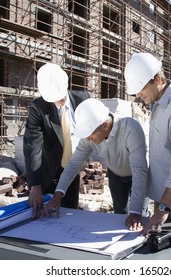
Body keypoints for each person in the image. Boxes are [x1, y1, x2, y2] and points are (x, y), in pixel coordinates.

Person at [41, 98, 149, 230]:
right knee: (119, 216)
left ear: (104, 125)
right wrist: (57, 195)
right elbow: (73, 165)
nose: (88, 138)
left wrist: (135, 213)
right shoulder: (89, 139)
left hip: (138, 175)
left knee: (139, 219)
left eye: (90, 135)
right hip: (116, 175)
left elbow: (139, 172)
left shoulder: (130, 129)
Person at [124, 52, 171, 236]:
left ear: (157, 79)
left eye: (140, 89)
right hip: (162, 197)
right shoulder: (158, 105)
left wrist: (162, 210)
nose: (138, 95)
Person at [23, 63, 89, 219]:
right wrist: (35, 186)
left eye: (60, 97)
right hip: (49, 170)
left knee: (69, 213)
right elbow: (32, 145)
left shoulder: (83, 99)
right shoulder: (38, 107)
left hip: (72, 169)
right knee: (46, 216)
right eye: (54, 99)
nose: (58, 101)